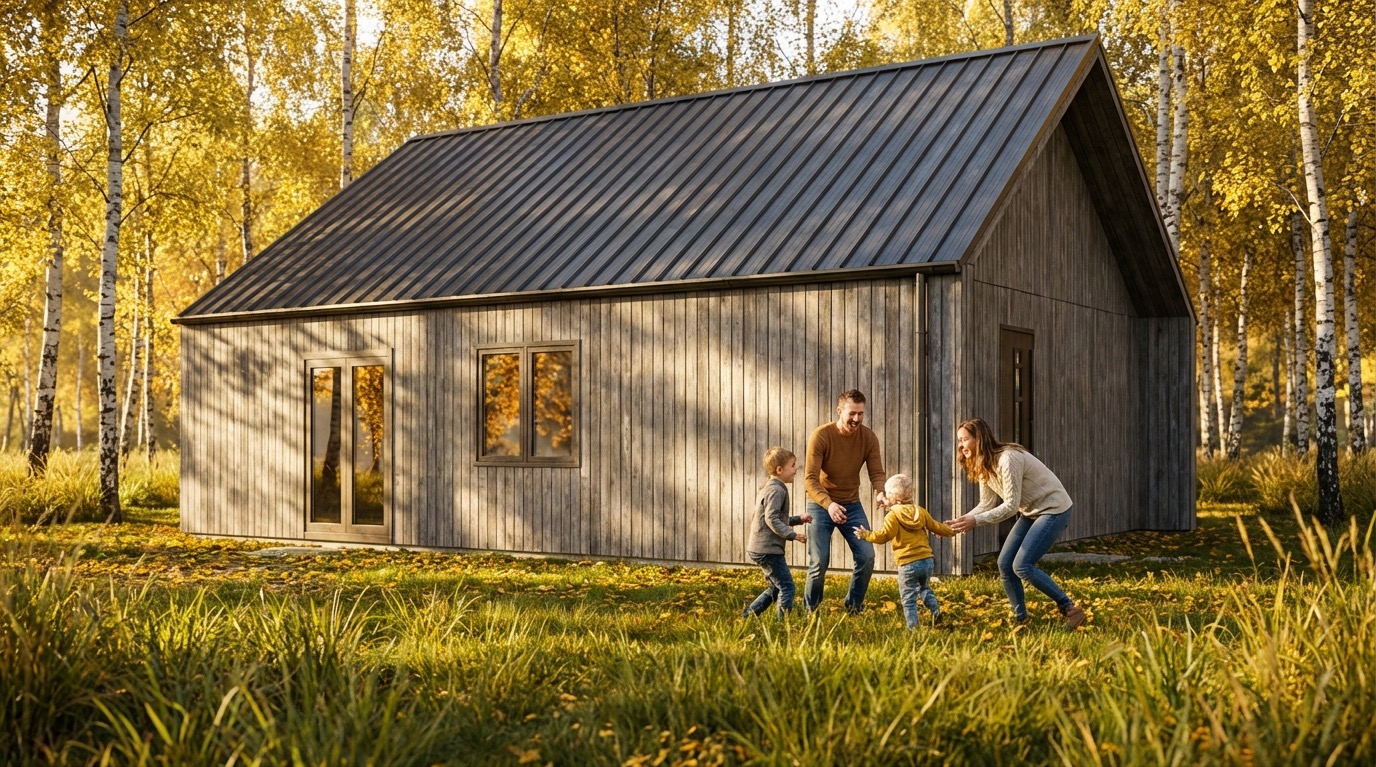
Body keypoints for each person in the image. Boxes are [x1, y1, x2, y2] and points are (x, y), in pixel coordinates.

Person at [945, 418, 1087, 631]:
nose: (960, 445)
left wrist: (975, 521)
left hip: (1054, 509)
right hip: (1031, 511)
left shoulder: (1008, 459)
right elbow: (986, 504)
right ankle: (1021, 620)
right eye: (959, 440)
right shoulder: (983, 464)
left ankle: (1071, 609)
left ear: (979, 439)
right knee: (1005, 564)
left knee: (1021, 566)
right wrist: (960, 521)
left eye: (964, 439)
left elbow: (1011, 506)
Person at [803, 389, 888, 614]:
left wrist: (880, 492)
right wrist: (829, 504)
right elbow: (810, 479)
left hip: (851, 504)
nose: (856, 419)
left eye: (861, 414)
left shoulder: (868, 438)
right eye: (852, 413)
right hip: (821, 505)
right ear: (839, 411)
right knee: (819, 561)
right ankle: (811, 611)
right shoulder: (821, 436)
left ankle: (854, 607)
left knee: (867, 556)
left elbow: (877, 472)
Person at [856, 474, 954, 629]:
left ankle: (913, 629)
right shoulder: (920, 511)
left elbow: (884, 536)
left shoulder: (893, 516)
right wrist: (952, 530)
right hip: (927, 560)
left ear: (894, 498)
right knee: (924, 588)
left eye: (888, 495)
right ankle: (936, 613)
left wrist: (866, 535)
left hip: (908, 563)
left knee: (908, 598)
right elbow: (936, 526)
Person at [743, 447, 813, 618]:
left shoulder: (772, 487)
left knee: (775, 588)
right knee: (787, 587)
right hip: (768, 550)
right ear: (779, 470)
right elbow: (771, 519)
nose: (796, 469)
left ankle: (748, 616)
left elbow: (775, 518)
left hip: (760, 548)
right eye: (793, 465)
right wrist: (793, 535)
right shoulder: (776, 490)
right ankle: (783, 625)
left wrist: (798, 519)